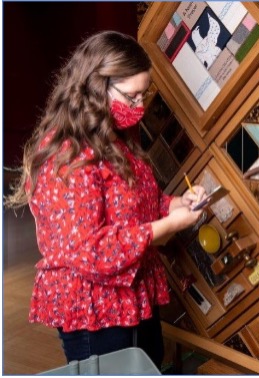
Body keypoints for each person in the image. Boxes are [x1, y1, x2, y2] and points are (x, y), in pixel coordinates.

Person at [4, 30, 206, 369]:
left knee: (147, 368)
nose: (139, 108)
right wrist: (168, 225)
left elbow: (144, 202)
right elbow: (87, 249)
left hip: (133, 295)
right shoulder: (66, 155)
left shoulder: (115, 136)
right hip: (93, 307)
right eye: (131, 97)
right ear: (95, 88)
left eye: (144, 95)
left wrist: (178, 204)